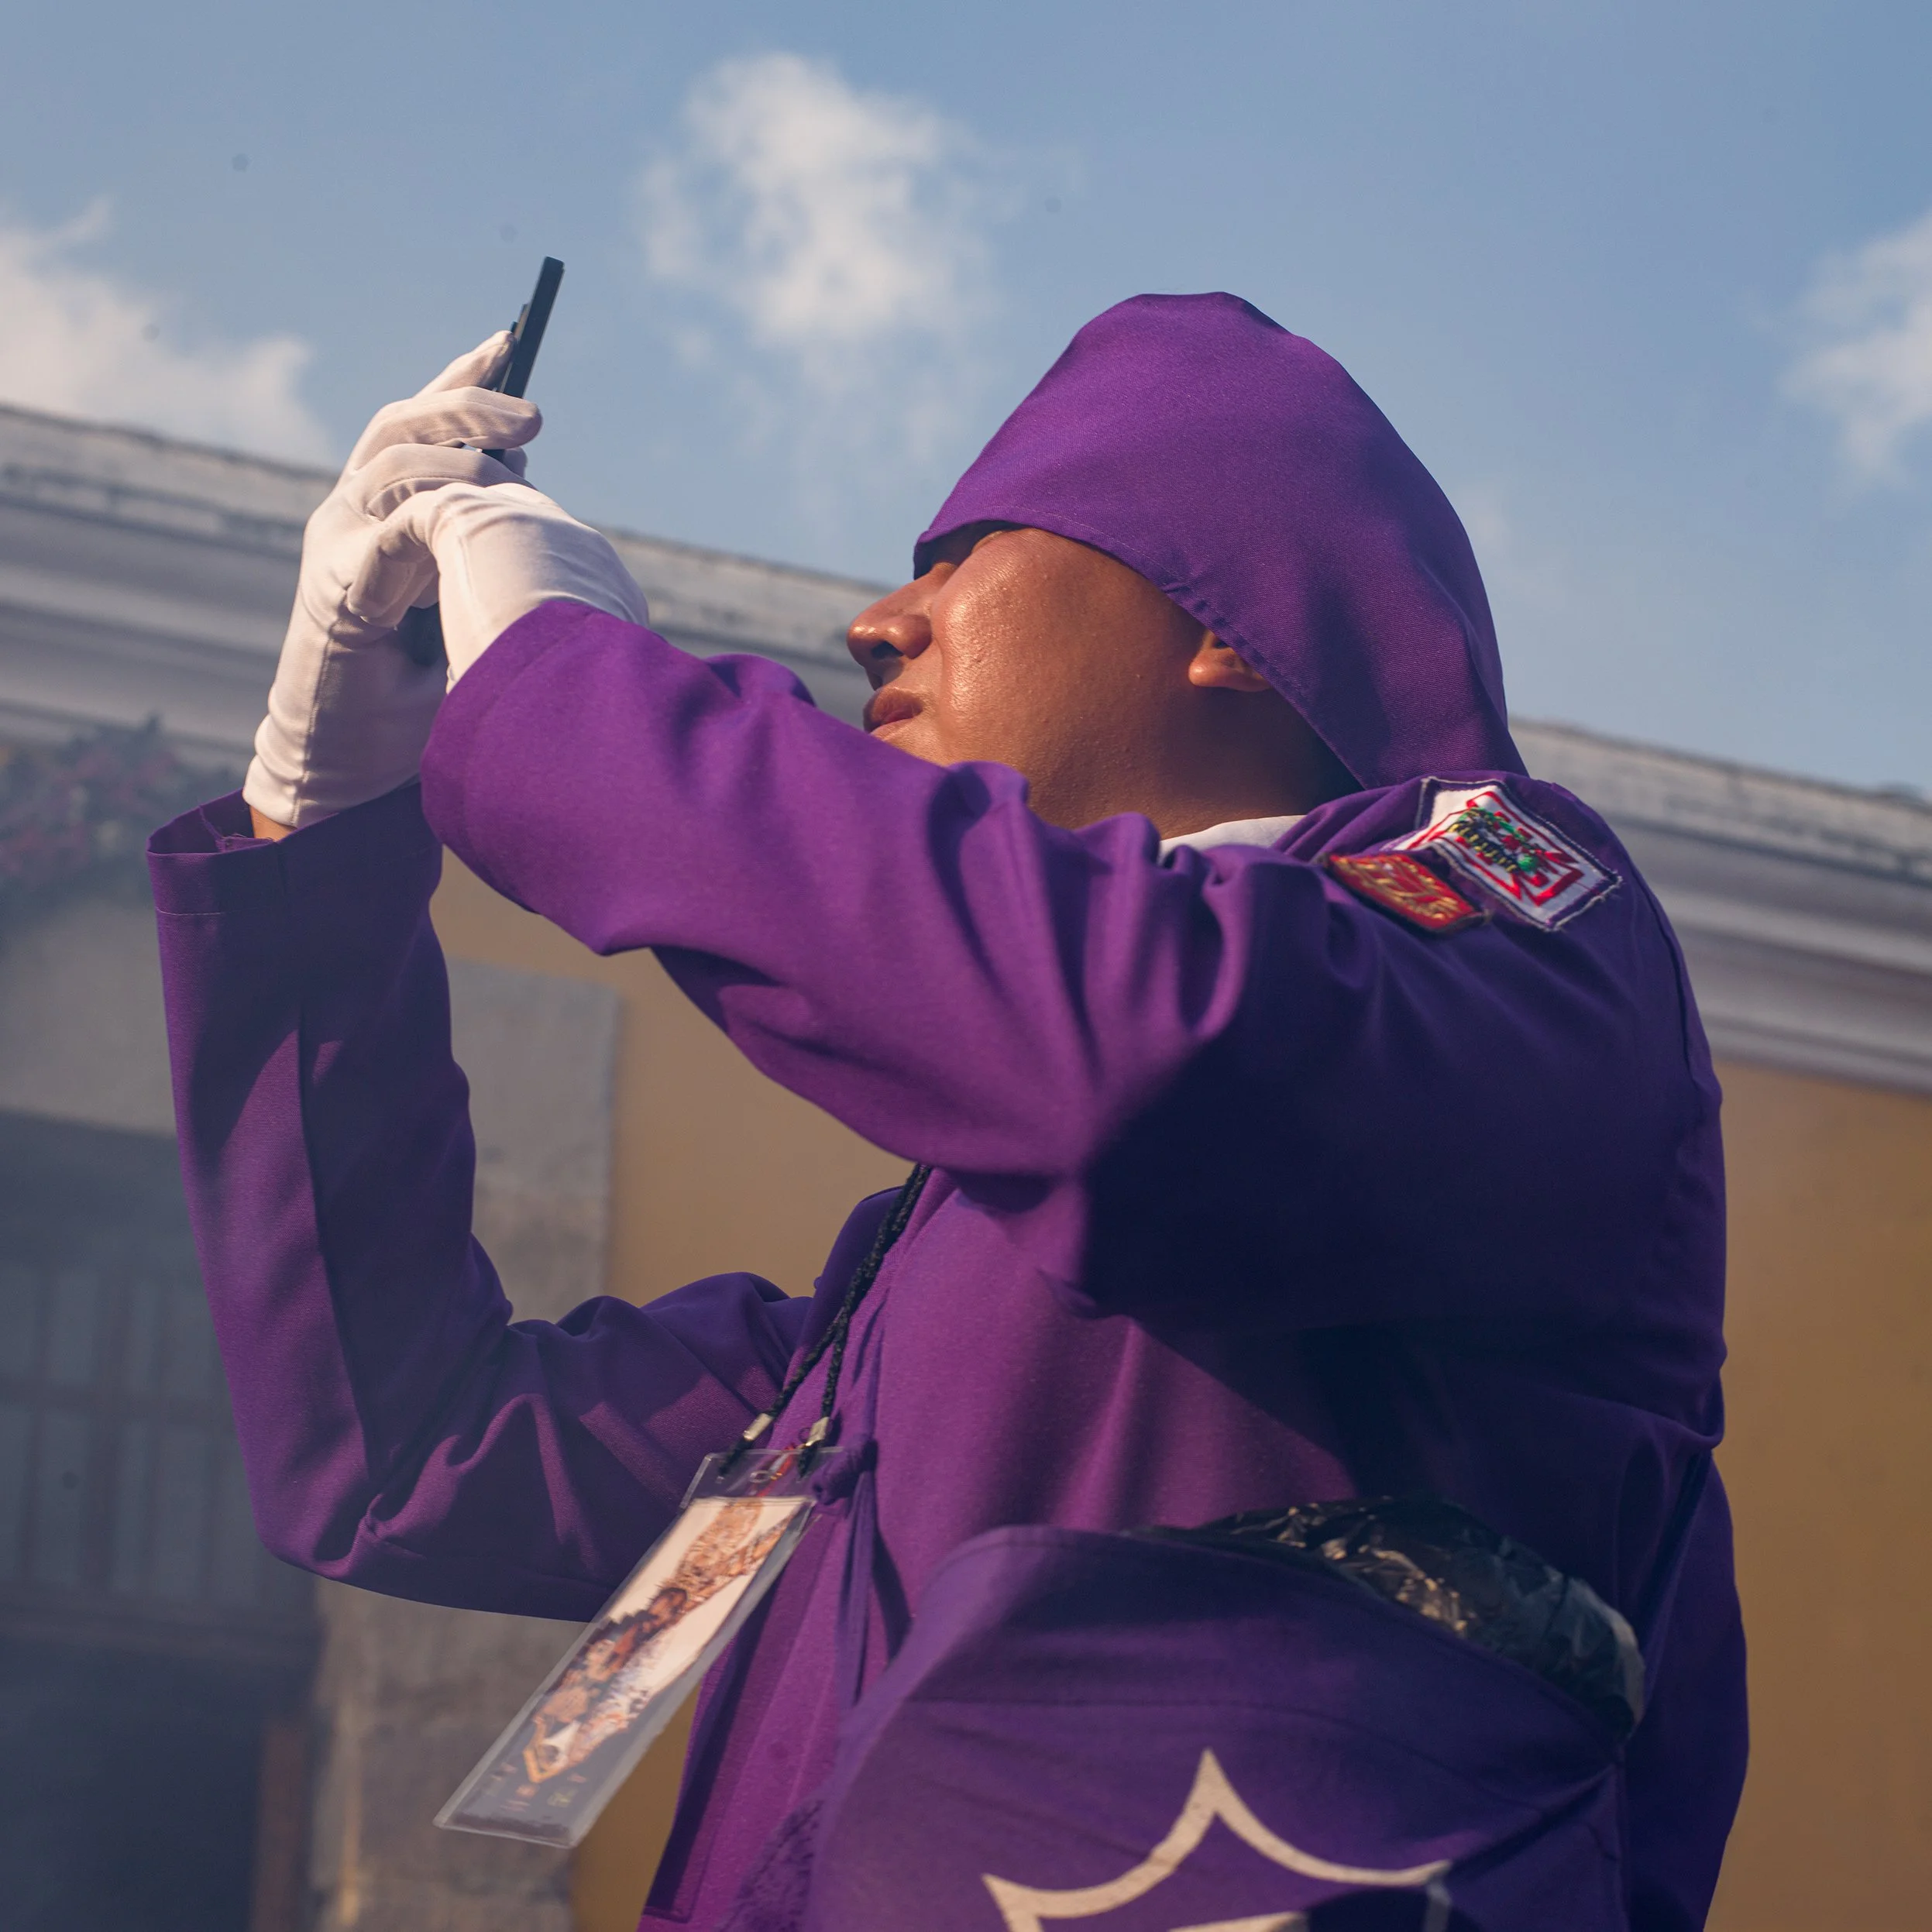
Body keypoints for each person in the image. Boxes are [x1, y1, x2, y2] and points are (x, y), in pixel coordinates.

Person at [149, 294, 1745, 1929]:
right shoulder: (888, 1306)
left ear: (1227, 611)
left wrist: (581, 694)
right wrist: (318, 810)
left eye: (966, 549)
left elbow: (1132, 1058)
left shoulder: (1516, 915)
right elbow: (405, 1453)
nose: (875, 621)